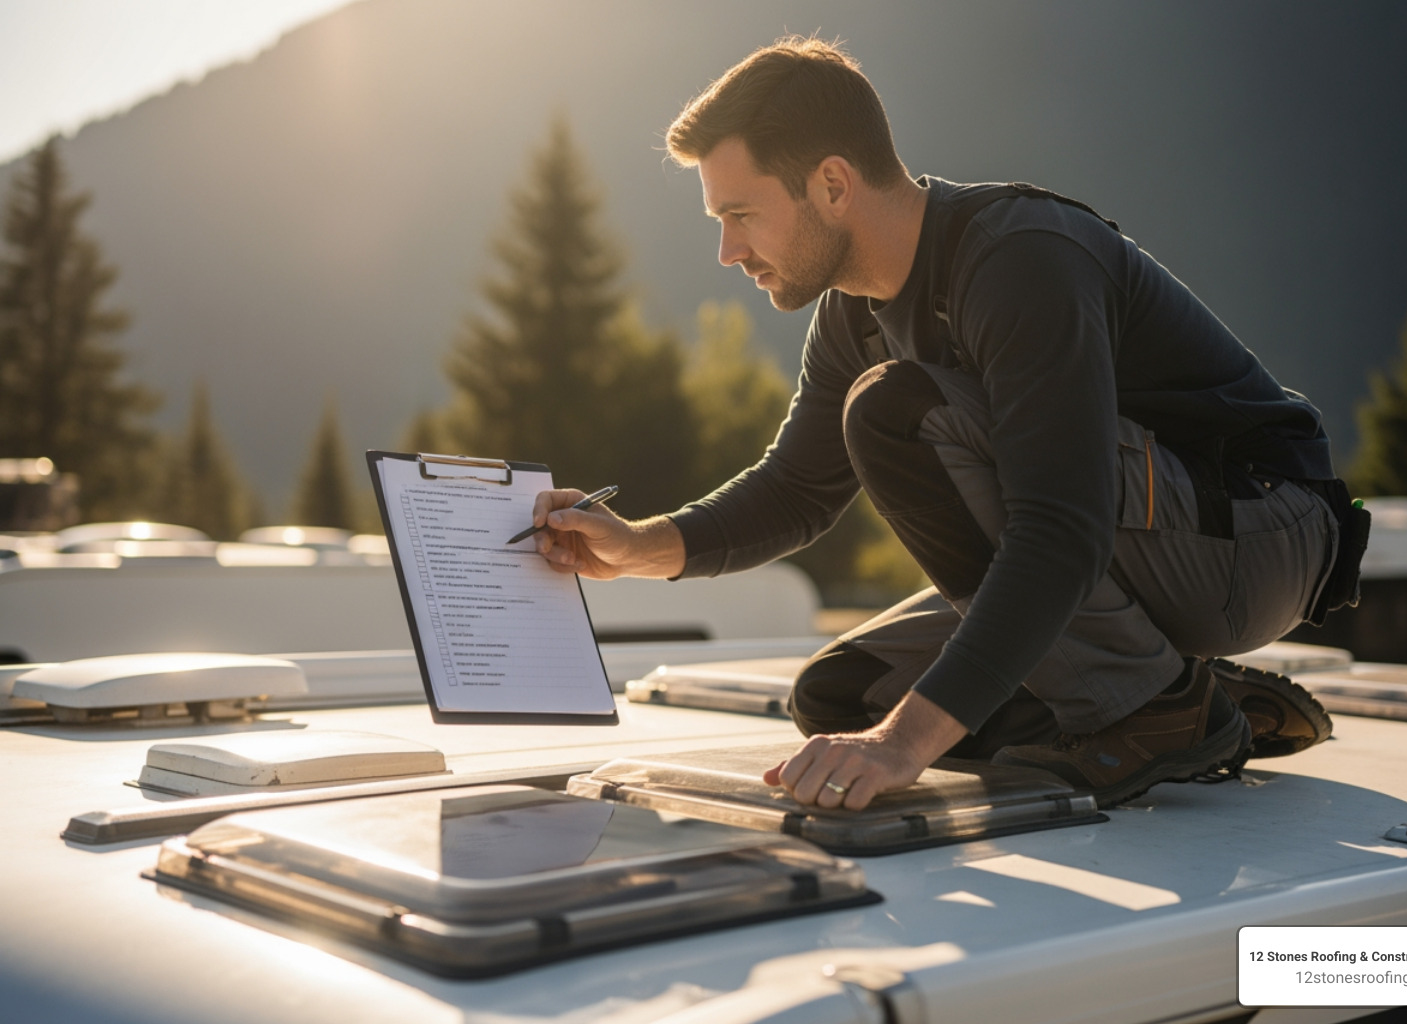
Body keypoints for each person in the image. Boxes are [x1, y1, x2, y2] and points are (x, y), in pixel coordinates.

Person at [529, 37, 1357, 812]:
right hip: (1140, 546)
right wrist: (635, 547)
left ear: (832, 184)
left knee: (894, 411)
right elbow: (798, 489)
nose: (726, 251)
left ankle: (1154, 707)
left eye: (740, 214)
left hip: (1256, 531)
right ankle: (1185, 698)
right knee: (838, 698)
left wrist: (904, 747)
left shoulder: (1020, 258)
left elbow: (1059, 529)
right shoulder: (854, 312)